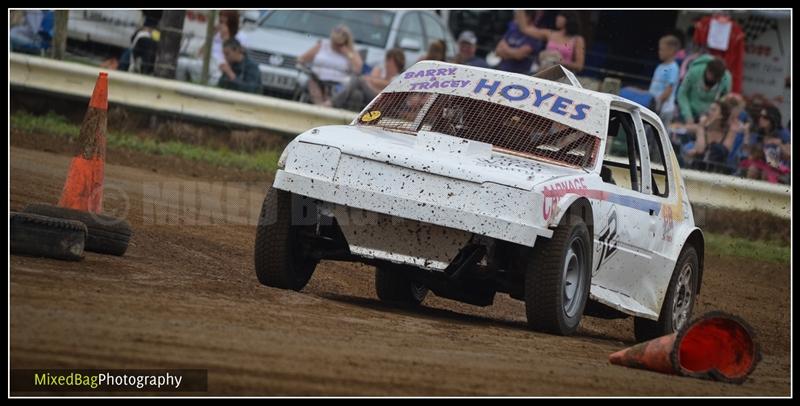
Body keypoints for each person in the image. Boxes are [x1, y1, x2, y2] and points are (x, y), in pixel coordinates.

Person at [176, 10, 248, 84]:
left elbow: (236, 57)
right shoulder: (216, 33)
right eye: (220, 21)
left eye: (225, 22)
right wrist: (212, 34)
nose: (221, 25)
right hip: (207, 62)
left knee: (214, 78)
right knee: (180, 63)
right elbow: (201, 52)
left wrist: (226, 37)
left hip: (221, 66)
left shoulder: (241, 36)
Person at [298, 25, 363, 105]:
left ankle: (327, 105)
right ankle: (320, 106)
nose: (335, 45)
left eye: (338, 44)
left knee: (353, 90)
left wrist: (347, 54)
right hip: (317, 78)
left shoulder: (351, 51)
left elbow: (358, 69)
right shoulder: (322, 45)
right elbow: (302, 59)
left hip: (340, 82)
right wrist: (303, 64)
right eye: (333, 42)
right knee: (312, 82)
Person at [329, 48, 406, 111]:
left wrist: (372, 84)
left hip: (380, 102)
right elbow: (371, 80)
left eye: (390, 61)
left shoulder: (399, 77)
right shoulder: (380, 70)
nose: (387, 63)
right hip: (370, 96)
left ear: (396, 62)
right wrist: (374, 84)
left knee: (359, 80)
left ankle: (332, 102)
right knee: (357, 94)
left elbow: (376, 84)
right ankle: (352, 119)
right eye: (387, 60)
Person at [514, 10, 586, 73]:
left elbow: (579, 66)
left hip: (562, 76)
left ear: (568, 19)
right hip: (545, 72)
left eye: (560, 16)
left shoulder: (577, 39)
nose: (557, 18)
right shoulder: (550, 33)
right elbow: (525, 29)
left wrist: (558, 62)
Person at [677, 55, 731, 124]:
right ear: (707, 70)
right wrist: (688, 115)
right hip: (690, 110)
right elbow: (682, 93)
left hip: (709, 116)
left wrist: (714, 115)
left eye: (715, 80)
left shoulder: (726, 78)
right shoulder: (694, 72)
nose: (711, 80)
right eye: (710, 77)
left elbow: (724, 98)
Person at [648, 35, 681, 127]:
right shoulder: (660, 66)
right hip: (653, 106)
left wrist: (657, 104)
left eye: (662, 49)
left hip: (663, 109)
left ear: (671, 51)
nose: (659, 52)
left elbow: (669, 89)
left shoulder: (673, 68)